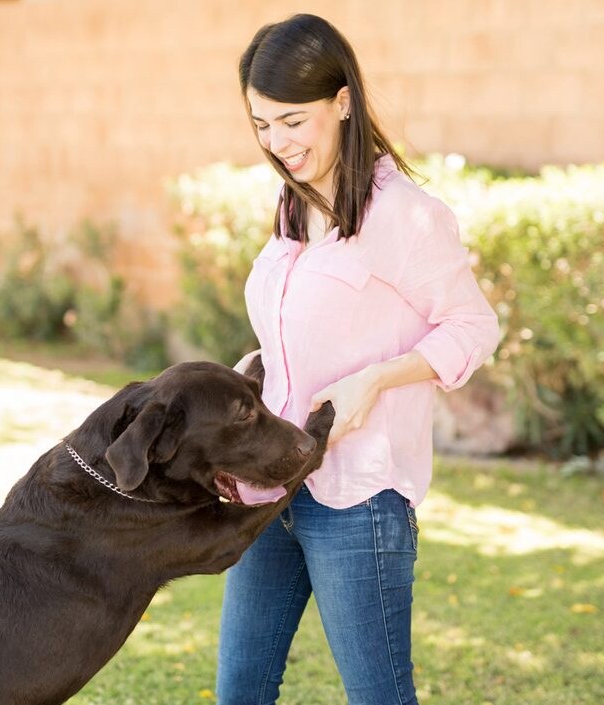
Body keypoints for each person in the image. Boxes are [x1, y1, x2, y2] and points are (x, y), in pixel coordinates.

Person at [216, 14, 501, 705]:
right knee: (240, 691)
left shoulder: (406, 215)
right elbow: (304, 333)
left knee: (379, 695)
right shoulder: (290, 207)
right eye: (261, 125)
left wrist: (377, 378)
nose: (277, 143)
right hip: (271, 485)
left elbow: (473, 324)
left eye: (292, 121)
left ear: (342, 101)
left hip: (359, 498)